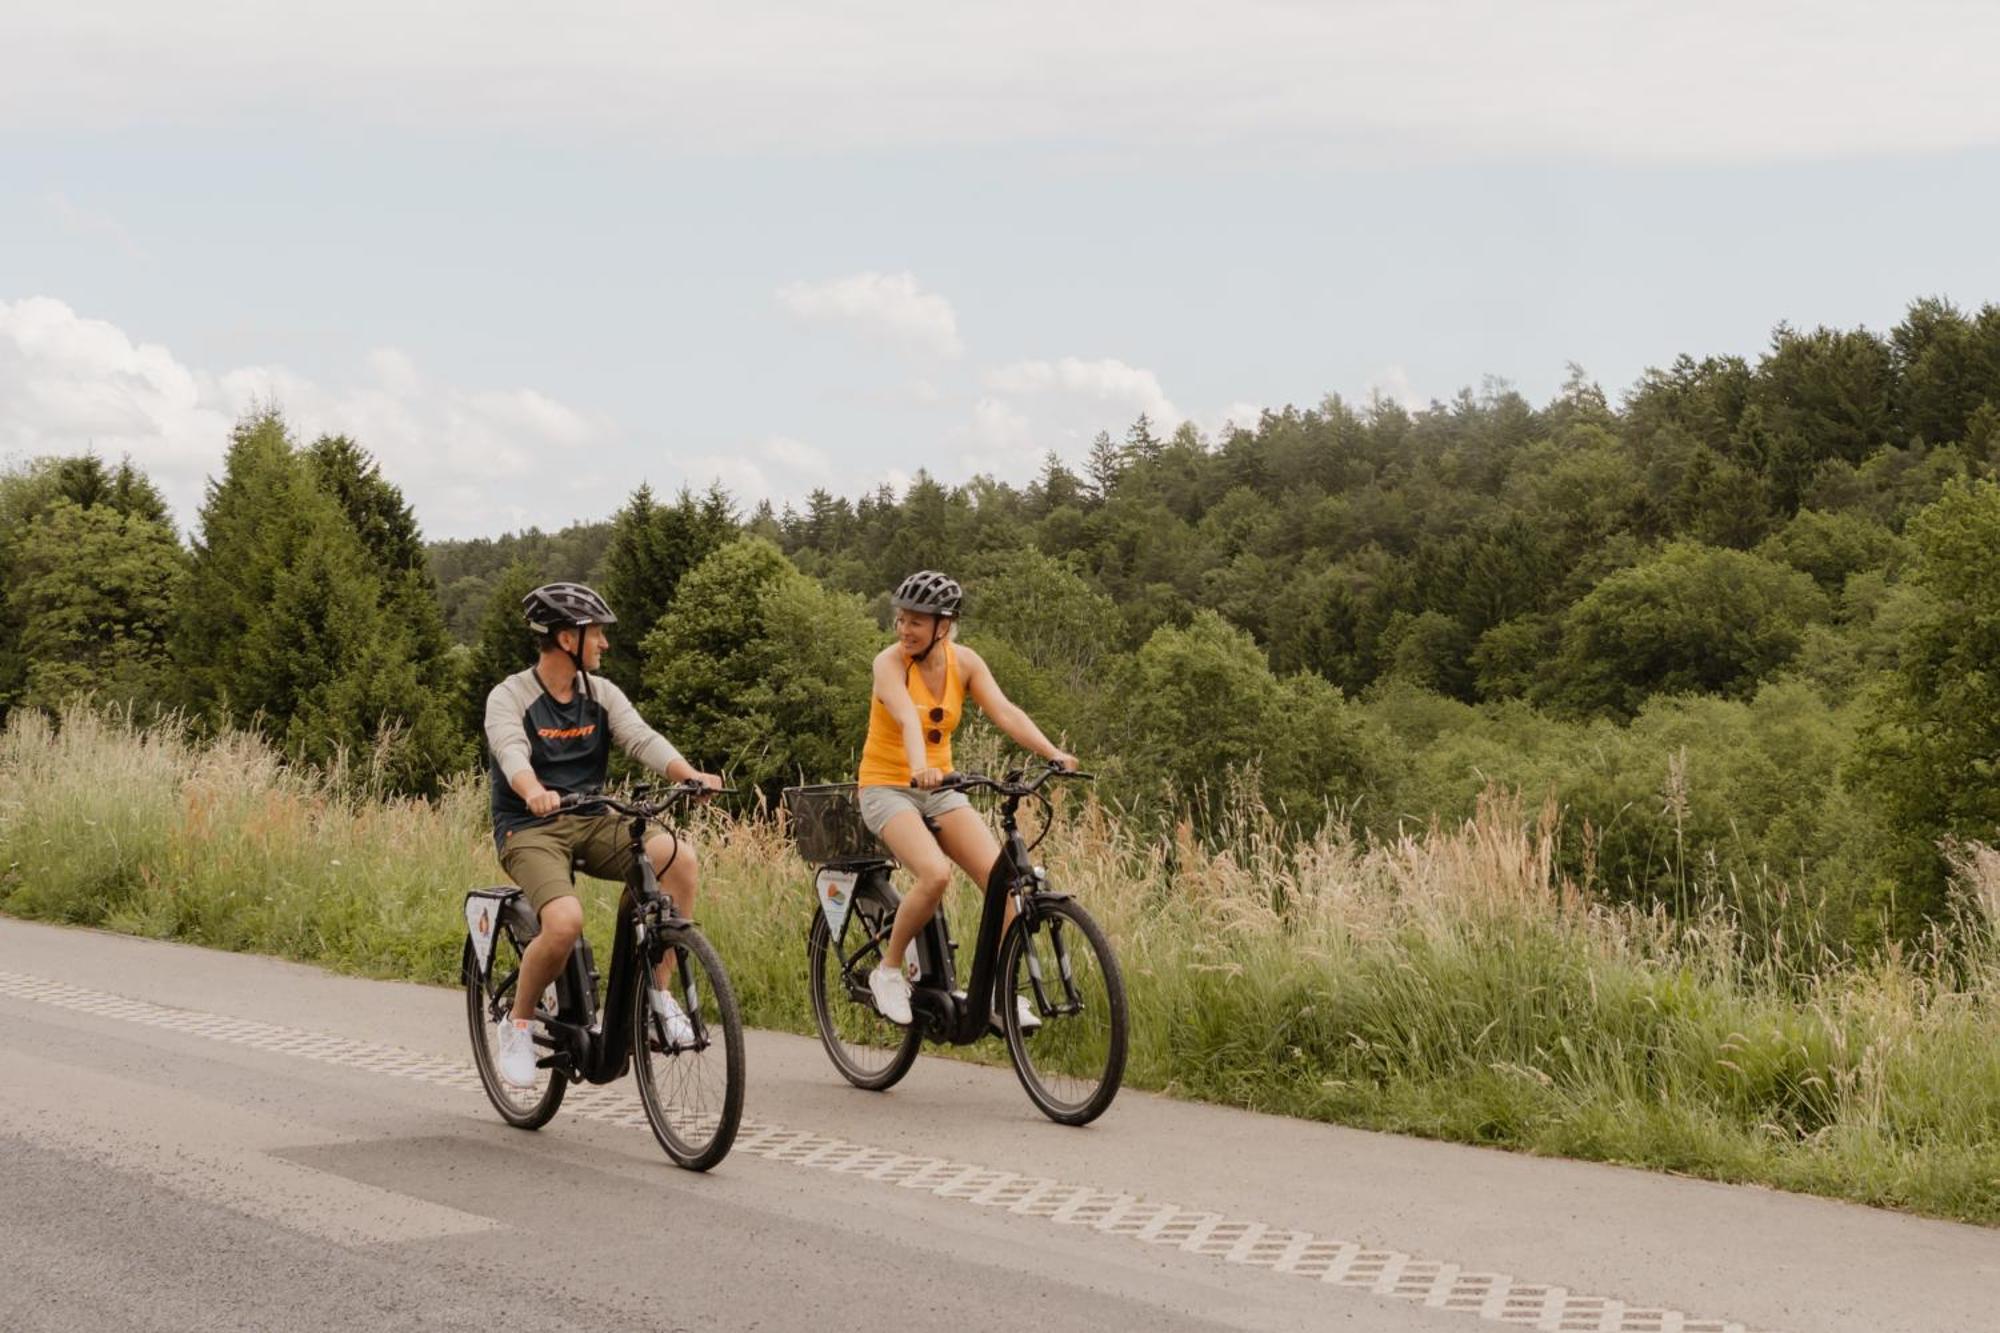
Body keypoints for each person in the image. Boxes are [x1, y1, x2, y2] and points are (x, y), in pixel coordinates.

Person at [484, 581, 722, 1087]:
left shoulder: (600, 693)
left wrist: (686, 774)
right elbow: (510, 752)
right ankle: (518, 1023)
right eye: (597, 633)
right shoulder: (510, 696)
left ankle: (656, 995)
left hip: (592, 817)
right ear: (567, 638)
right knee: (565, 921)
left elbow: (640, 737)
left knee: (677, 857)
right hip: (530, 827)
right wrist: (532, 791)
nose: (604, 643)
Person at [856, 570, 1076, 1028]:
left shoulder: (966, 663)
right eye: (901, 619)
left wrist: (1051, 752)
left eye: (916, 621)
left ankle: (997, 995)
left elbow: (1005, 711)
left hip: (941, 791)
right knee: (934, 875)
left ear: (944, 625)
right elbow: (907, 718)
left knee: (1007, 885)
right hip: (887, 787)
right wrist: (919, 768)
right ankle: (889, 972)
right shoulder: (889, 663)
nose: (904, 629)